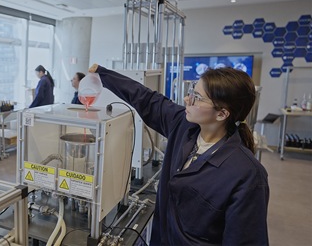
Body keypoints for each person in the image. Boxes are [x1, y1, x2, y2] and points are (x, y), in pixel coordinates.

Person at [89, 64, 269, 245]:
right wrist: (103, 74)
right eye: (192, 91)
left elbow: (245, 240)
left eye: (197, 98)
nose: (187, 99)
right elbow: (145, 98)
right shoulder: (183, 126)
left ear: (222, 114)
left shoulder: (247, 175)